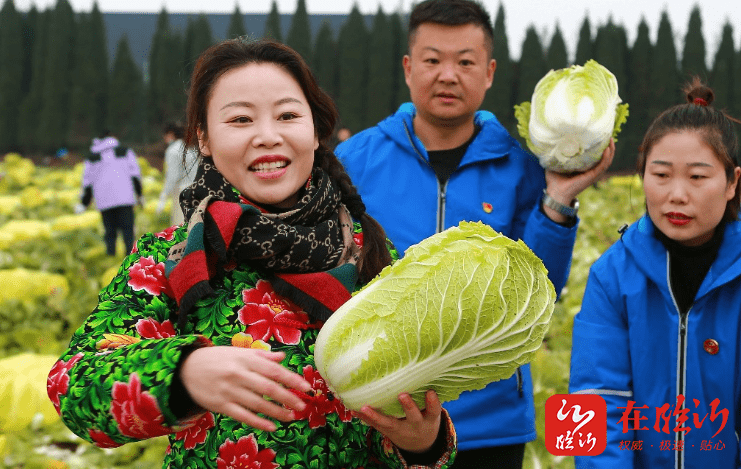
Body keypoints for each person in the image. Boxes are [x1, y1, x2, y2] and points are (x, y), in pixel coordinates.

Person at [48, 39, 456, 469]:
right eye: (240, 119)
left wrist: (422, 445)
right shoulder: (166, 258)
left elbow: (404, 405)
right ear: (203, 138)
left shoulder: (369, 253)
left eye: (288, 115)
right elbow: (72, 385)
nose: (267, 136)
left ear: (316, 132)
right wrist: (184, 372)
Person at [335, 0, 614, 466]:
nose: (448, 75)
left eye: (465, 62)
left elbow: (541, 289)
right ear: (408, 68)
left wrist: (560, 197)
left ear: (488, 73)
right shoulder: (354, 161)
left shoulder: (524, 170)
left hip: (490, 424)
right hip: (381, 411)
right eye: (432, 60)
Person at [568, 81, 741, 468]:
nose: (676, 194)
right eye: (660, 175)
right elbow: (592, 403)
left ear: (732, 183)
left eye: (697, 177)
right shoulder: (611, 275)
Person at [76, 130, 143, 256]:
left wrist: (84, 203)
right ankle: (129, 259)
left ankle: (110, 256)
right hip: (125, 199)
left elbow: (87, 183)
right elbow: (135, 175)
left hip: (104, 201)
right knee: (128, 231)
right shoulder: (124, 151)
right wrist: (139, 195)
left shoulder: (92, 157)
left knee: (110, 232)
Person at [157, 122, 199, 225]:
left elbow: (173, 176)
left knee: (180, 228)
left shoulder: (172, 150)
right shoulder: (191, 147)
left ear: (170, 134)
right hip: (197, 190)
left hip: (182, 192)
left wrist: (164, 195)